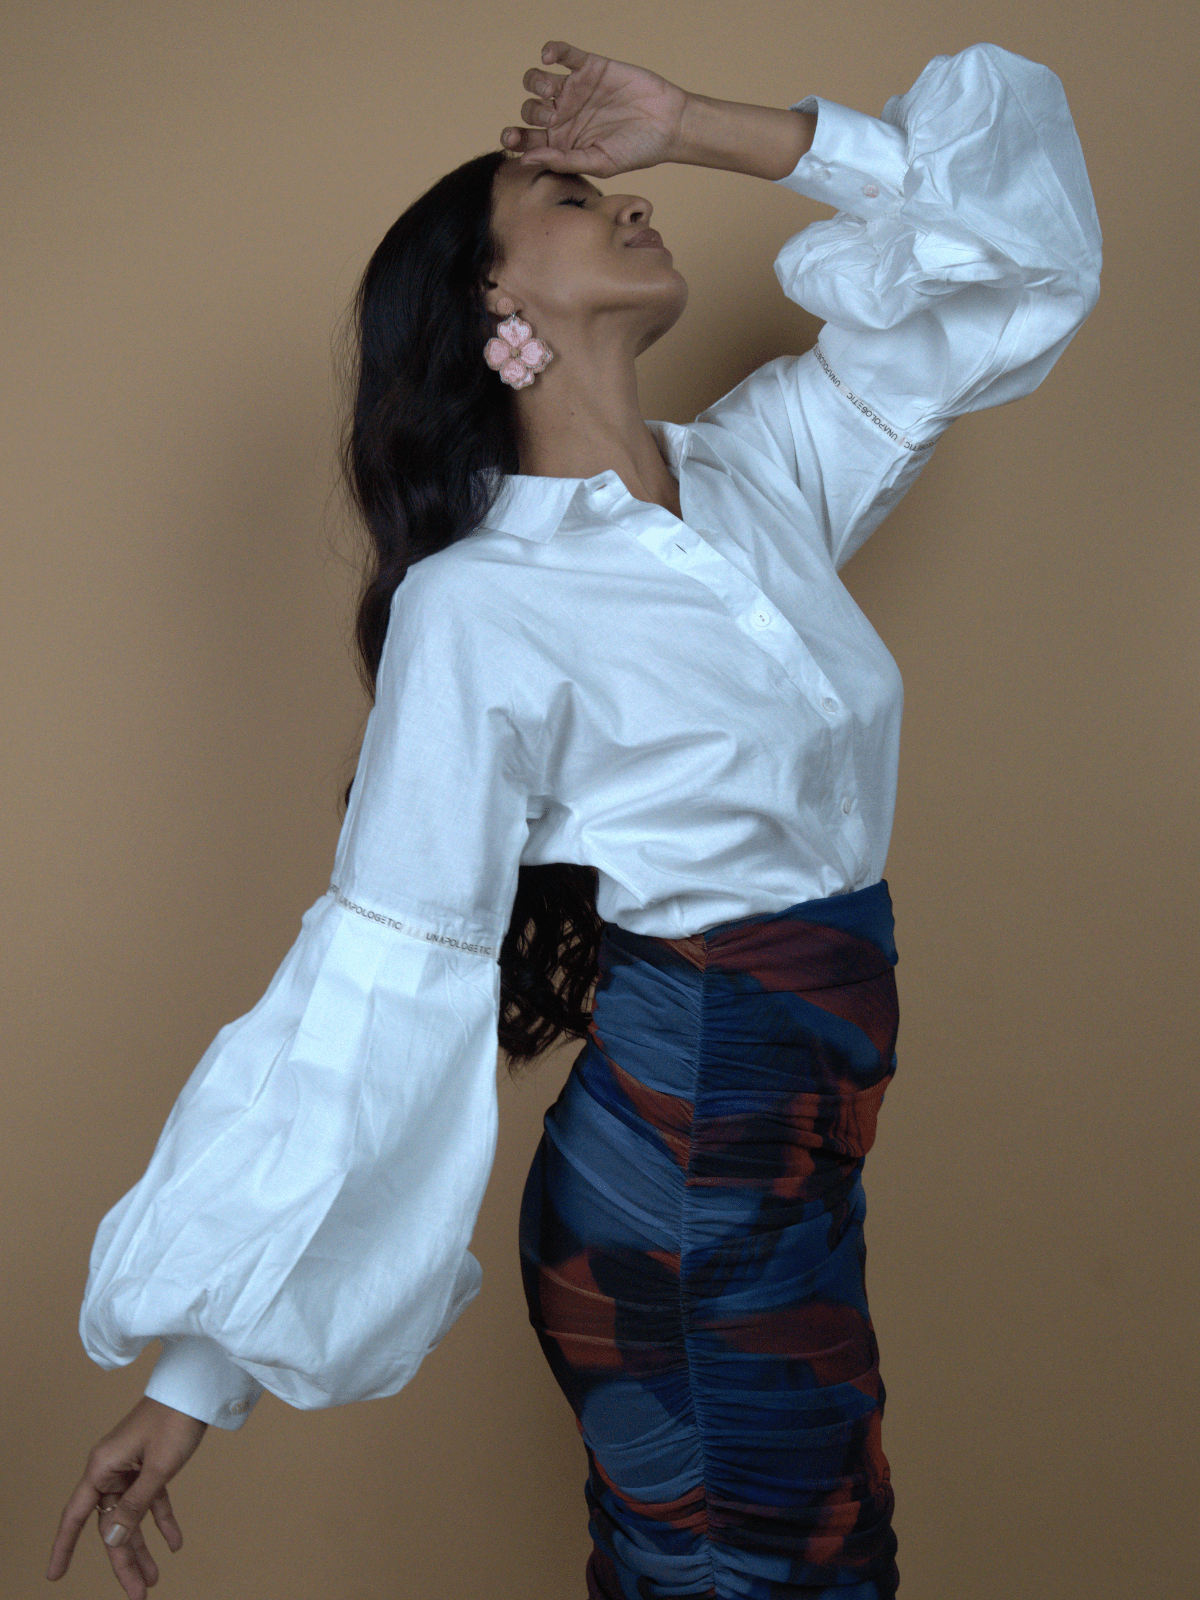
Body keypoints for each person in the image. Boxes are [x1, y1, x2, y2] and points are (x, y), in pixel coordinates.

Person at [47, 37, 1101, 1600]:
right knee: (761, 1573)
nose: (629, 196)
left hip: (799, 1156)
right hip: (683, 1172)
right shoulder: (476, 605)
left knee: (784, 1562)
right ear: (493, 302)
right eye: (569, 194)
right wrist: (196, 1375)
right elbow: (388, 972)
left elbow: (1024, 258)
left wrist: (708, 127)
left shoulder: (764, 468)